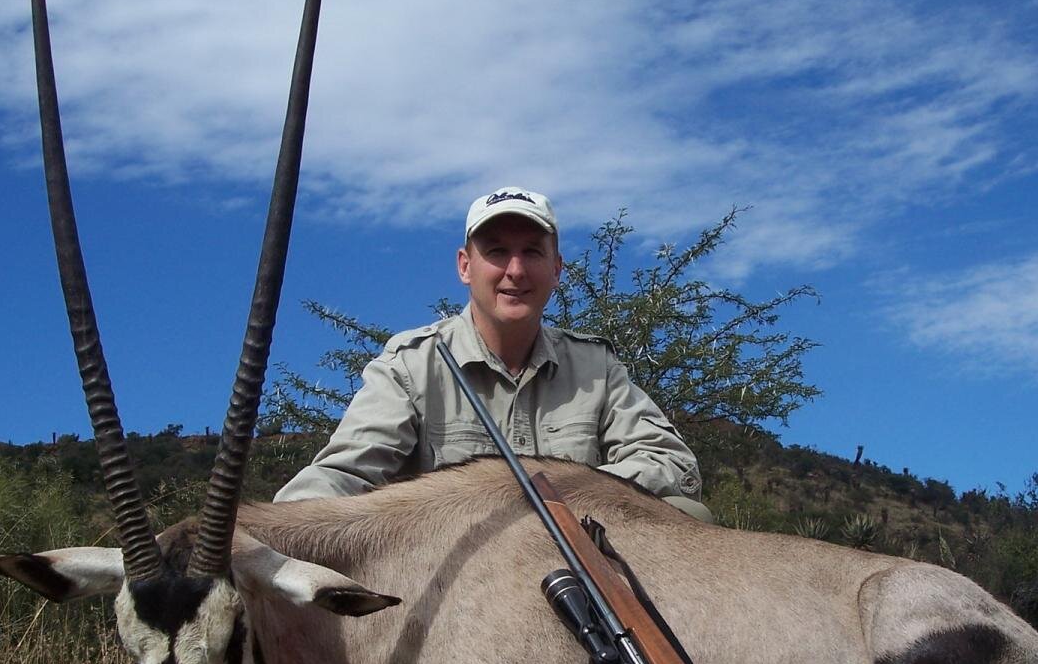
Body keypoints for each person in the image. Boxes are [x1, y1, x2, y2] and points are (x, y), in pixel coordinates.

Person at [275, 186, 712, 522]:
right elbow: (346, 475)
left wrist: (566, 490)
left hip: (580, 553)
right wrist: (274, 529)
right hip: (456, 571)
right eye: (498, 251)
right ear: (465, 266)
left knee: (688, 515)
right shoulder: (410, 363)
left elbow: (672, 463)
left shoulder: (595, 365)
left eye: (532, 252)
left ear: (556, 269)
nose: (516, 271)